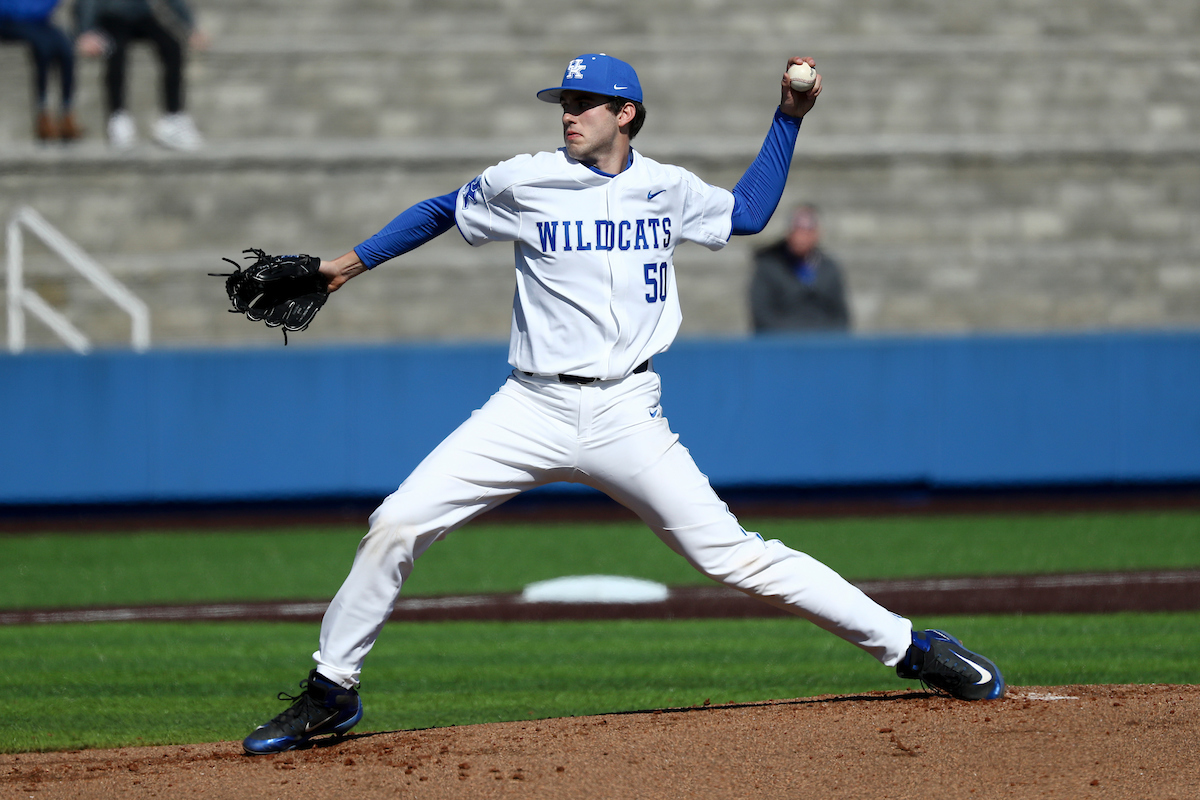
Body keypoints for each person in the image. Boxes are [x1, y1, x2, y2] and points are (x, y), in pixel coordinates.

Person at [241, 53, 1006, 756]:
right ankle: (330, 693)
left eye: (584, 102)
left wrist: (788, 118)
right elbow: (441, 209)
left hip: (627, 412)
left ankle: (912, 648)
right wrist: (343, 267)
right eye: (563, 102)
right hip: (528, 407)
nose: (568, 114)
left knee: (734, 556)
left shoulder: (666, 188)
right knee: (395, 523)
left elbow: (747, 215)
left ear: (626, 114)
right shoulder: (525, 178)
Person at [74, 0, 207, 150]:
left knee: (172, 47)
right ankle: (118, 118)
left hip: (141, 15)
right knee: (116, 51)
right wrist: (86, 31)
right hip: (110, 17)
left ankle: (173, 117)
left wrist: (191, 27)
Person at [750, 203, 850, 332]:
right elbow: (762, 316)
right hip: (782, 342)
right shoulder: (769, 267)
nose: (802, 235)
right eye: (798, 228)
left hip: (822, 342)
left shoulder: (829, 268)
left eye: (808, 228)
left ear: (817, 233)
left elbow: (841, 317)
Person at [0, 0, 82, 141]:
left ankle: (67, 110)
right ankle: (43, 113)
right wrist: (29, 12)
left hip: (39, 23)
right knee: (43, 49)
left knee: (66, 49)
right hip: (10, 23)